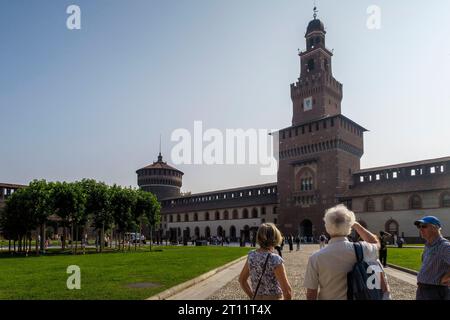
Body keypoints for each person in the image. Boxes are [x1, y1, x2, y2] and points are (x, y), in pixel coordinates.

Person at [303, 204, 380, 300]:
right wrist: (356, 224)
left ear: (327, 227)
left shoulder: (316, 257)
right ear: (349, 226)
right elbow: (375, 243)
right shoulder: (363, 249)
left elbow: (311, 294)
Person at [239, 223, 292, 300]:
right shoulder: (275, 259)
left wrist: (252, 296)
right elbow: (287, 291)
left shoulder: (251, 255)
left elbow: (242, 280)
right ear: (275, 238)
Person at [414, 216, 450, 300]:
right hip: (422, 289)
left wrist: (447, 277)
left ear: (435, 228)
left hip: (435, 291)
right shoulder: (427, 245)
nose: (421, 229)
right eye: (419, 227)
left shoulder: (444, 246)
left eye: (424, 226)